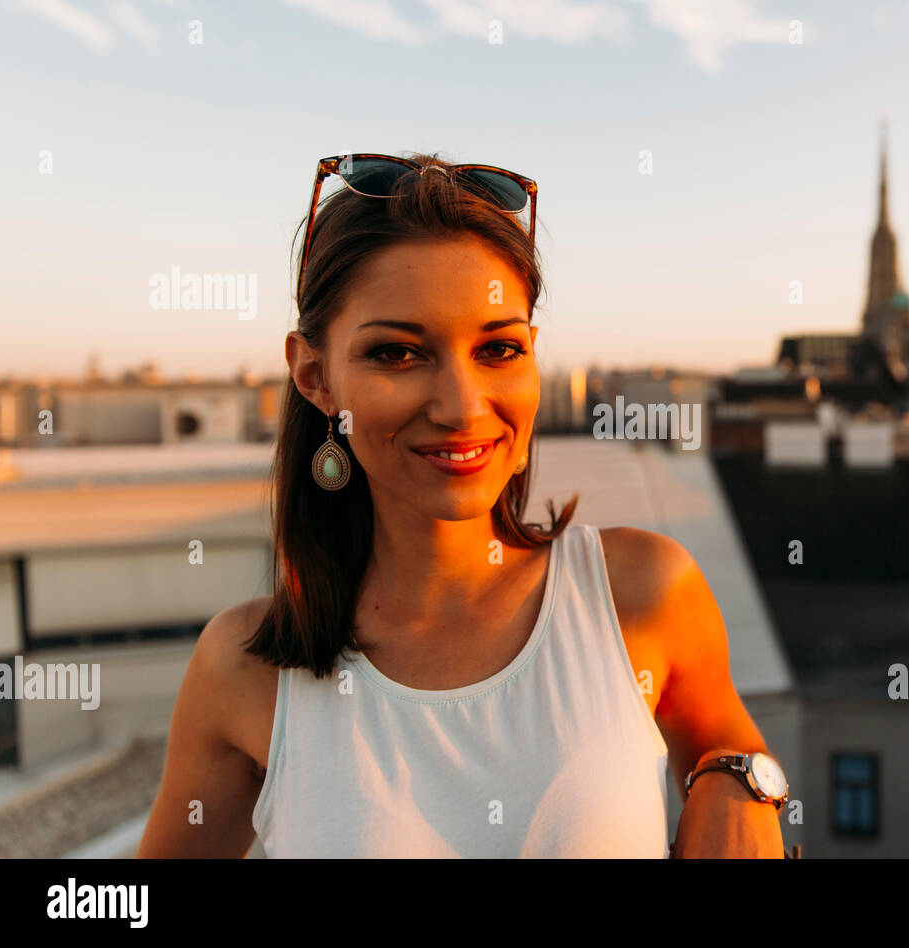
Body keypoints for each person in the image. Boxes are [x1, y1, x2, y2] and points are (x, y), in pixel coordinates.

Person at [137, 152, 788, 858]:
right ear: (315, 376)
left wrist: (739, 782)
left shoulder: (641, 593)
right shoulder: (244, 669)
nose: (462, 407)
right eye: (397, 354)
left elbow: (730, 744)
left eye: (498, 349)